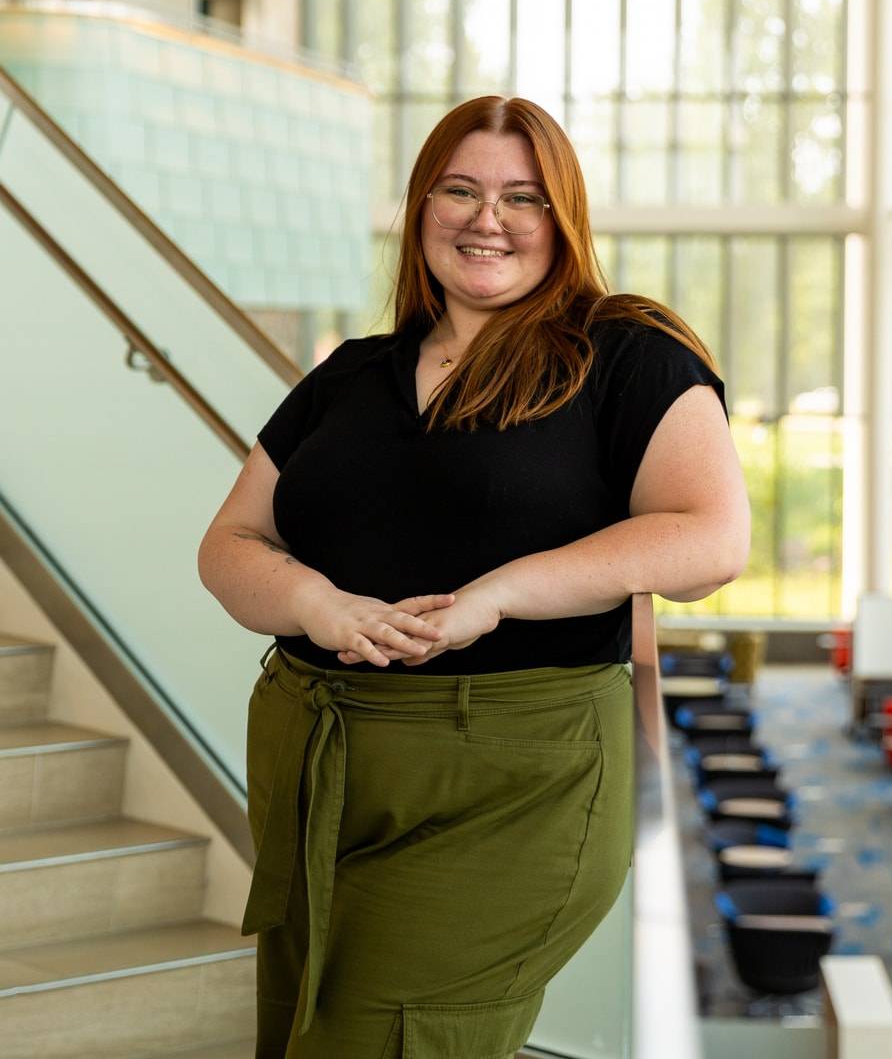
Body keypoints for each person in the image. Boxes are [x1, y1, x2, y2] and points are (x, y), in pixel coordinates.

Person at [197, 95, 751, 1057]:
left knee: (382, 1036)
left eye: (521, 197)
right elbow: (230, 543)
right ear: (421, 210)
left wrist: (496, 595)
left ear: (562, 218)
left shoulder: (624, 356)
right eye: (458, 189)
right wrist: (316, 605)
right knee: (299, 1032)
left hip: (510, 784)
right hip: (318, 763)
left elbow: (708, 541)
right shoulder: (353, 375)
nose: (485, 217)